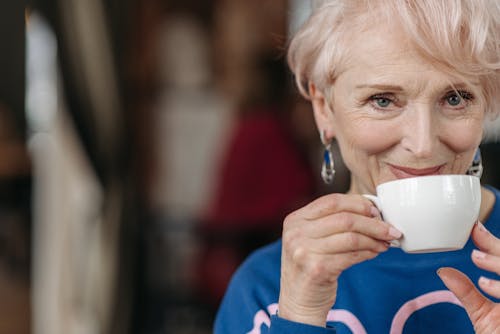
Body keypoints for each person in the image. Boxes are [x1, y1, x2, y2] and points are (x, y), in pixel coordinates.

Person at [214, 0, 500, 333]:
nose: (423, 145)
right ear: (324, 109)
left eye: (455, 98)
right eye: (383, 100)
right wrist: (301, 313)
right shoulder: (265, 287)